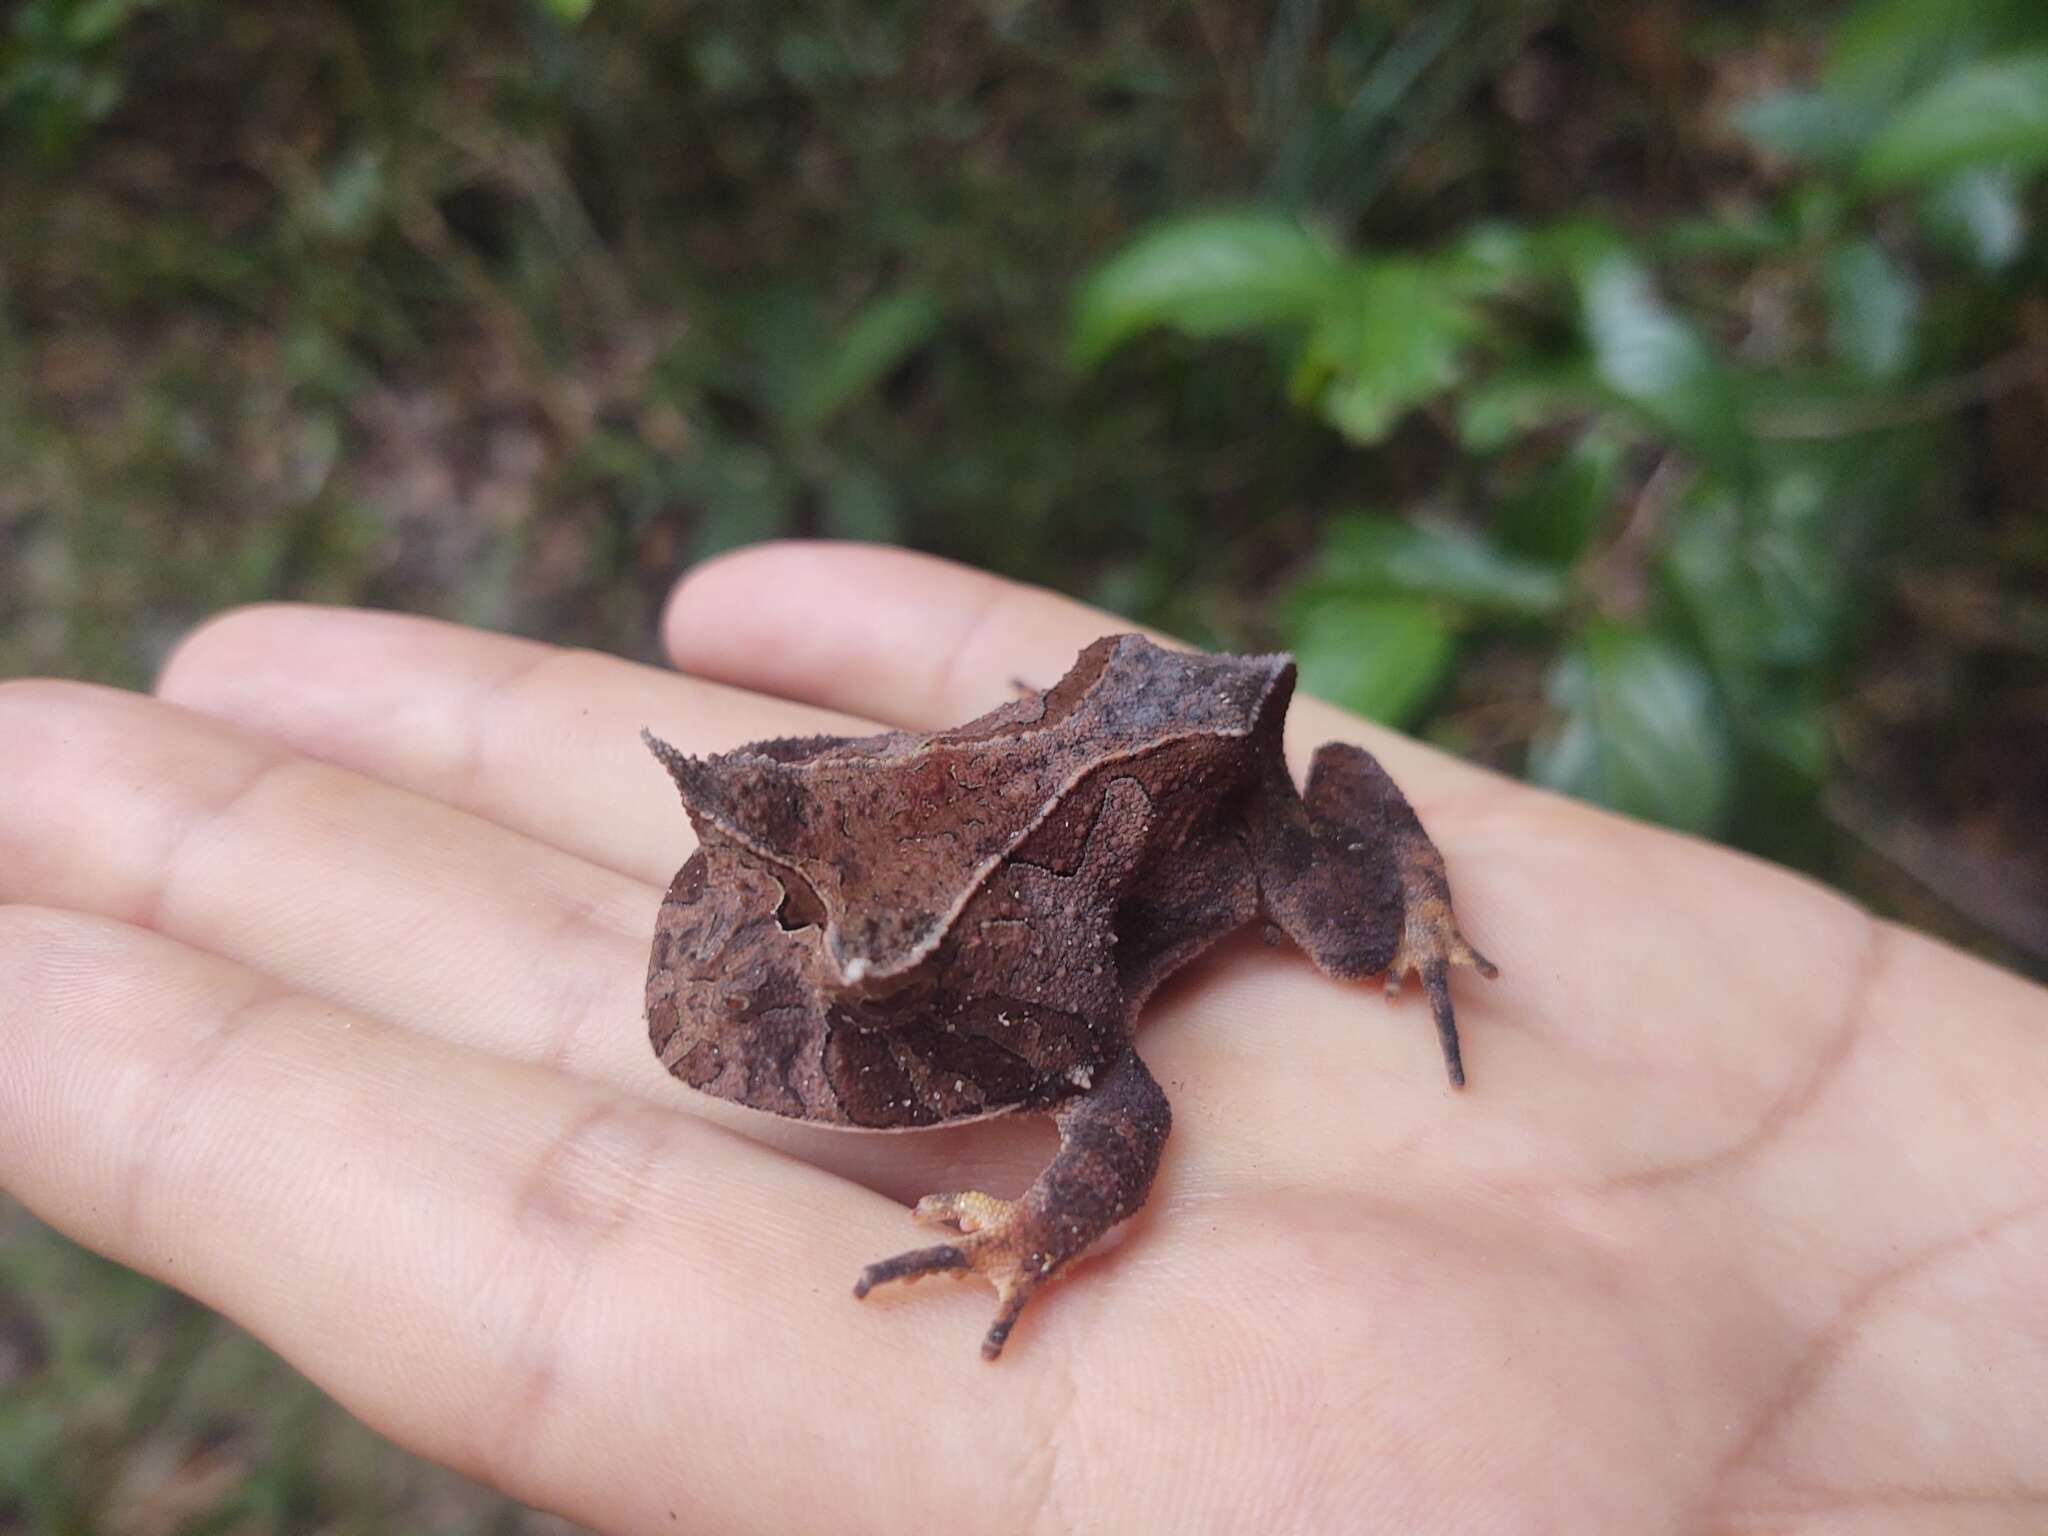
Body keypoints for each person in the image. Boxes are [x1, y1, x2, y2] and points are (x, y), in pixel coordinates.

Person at [1, 541, 2043, 1532]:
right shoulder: (827, 833)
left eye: (828, 964)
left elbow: (1123, 1095)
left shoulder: (1045, 983)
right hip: (1048, 743)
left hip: (1193, 792)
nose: (747, 957)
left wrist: (1032, 1235)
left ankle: (1396, 879)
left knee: (1344, 943)